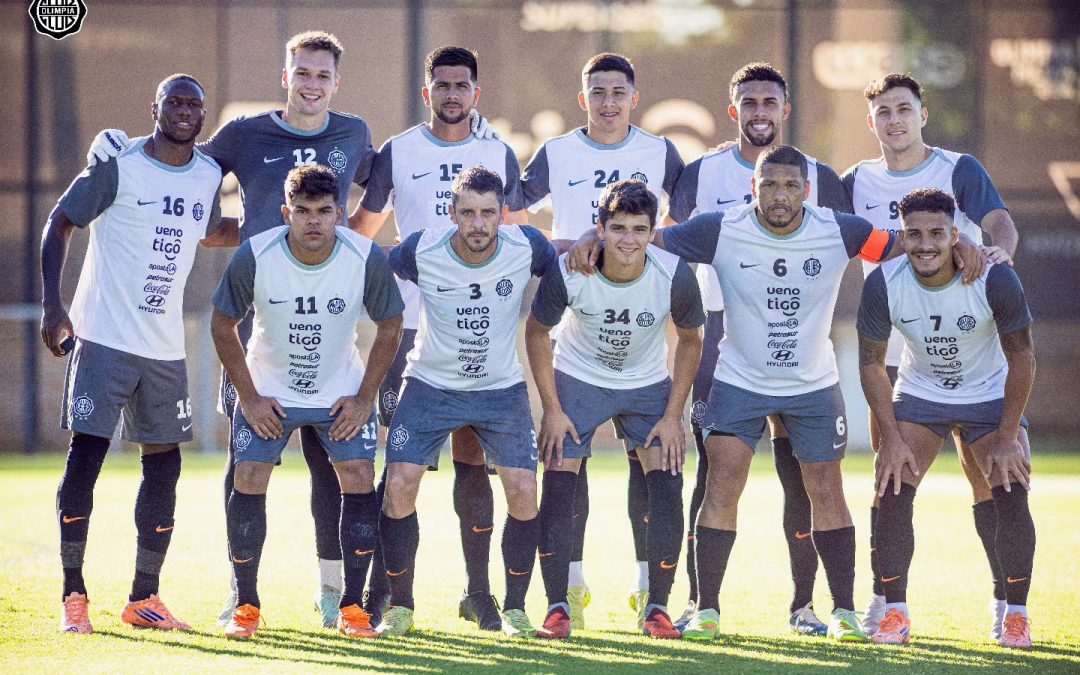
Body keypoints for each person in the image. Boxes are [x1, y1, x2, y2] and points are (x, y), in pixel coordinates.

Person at [567, 145, 997, 641]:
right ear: (754, 187)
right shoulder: (720, 227)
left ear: (806, 191)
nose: (779, 195)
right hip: (739, 382)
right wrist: (588, 236)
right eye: (769, 184)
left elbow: (909, 243)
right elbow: (643, 237)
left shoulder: (838, 228)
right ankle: (707, 609)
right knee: (722, 487)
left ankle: (843, 611)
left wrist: (965, 243)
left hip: (812, 386)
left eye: (791, 185)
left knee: (827, 493)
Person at [86, 30, 379, 627]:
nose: (312, 84)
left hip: (326, 324)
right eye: (303, 73)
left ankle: (334, 594)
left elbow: (386, 183)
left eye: (323, 75)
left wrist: (361, 239)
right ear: (285, 75)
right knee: (246, 464)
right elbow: (180, 159)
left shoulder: (354, 134)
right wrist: (117, 148)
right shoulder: (246, 133)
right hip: (260, 324)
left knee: (334, 468)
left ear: (336, 83)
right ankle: (239, 594)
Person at [666, 62, 850, 636]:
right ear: (734, 110)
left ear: (785, 110)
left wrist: (973, 252)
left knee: (806, 482)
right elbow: (656, 244)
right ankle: (702, 603)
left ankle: (808, 606)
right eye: (749, 103)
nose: (759, 112)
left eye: (769, 102)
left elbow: (885, 248)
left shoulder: (822, 178)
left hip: (802, 346)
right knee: (715, 477)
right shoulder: (701, 175)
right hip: (725, 338)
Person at [350, 46, 527, 631]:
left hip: (481, 336)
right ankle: (388, 597)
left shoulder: (498, 152)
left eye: (462, 85)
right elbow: (364, 232)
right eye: (442, 85)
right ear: (427, 92)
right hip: (411, 335)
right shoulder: (399, 151)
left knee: (472, 463)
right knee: (398, 469)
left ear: (477, 92)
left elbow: (519, 234)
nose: (452, 94)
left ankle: (479, 593)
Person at [841, 73, 1022, 639]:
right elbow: (805, 208)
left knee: (986, 475)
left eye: (904, 109)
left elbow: (998, 224)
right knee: (889, 472)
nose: (894, 120)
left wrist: (996, 254)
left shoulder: (957, 168)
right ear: (870, 122)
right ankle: (885, 601)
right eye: (884, 112)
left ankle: (1006, 605)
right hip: (893, 350)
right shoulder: (853, 181)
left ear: (923, 115)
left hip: (969, 349)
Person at [41, 74, 223, 634]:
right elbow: (60, 222)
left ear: (202, 114)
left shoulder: (210, 173)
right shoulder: (119, 164)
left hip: (164, 348)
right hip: (103, 338)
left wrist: (288, 226)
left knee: (165, 467)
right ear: (155, 108)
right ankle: (74, 594)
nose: (185, 111)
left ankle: (145, 597)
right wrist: (54, 305)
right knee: (85, 462)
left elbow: (212, 232)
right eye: (175, 102)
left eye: (194, 104)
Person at [520, 51, 685, 629]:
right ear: (582, 95)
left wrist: (639, 246)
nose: (608, 101)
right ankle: (567, 592)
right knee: (568, 466)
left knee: (657, 473)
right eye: (598, 91)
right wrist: (569, 248)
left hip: (642, 349)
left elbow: (683, 219)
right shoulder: (559, 151)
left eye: (619, 92)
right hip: (582, 326)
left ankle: (652, 596)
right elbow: (510, 212)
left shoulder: (662, 152)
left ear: (634, 97)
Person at [210, 166, 403, 639]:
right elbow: (222, 323)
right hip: (270, 389)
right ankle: (246, 605)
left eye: (323, 212)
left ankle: (353, 610)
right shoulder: (256, 254)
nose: (313, 221)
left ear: (340, 212)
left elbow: (392, 325)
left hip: (338, 390)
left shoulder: (363, 256)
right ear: (285, 212)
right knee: (248, 475)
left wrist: (364, 398)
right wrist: (250, 397)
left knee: (357, 476)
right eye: (302, 212)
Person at [378, 167, 556, 638]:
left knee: (522, 490)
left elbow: (562, 259)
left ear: (502, 214)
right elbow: (375, 265)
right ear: (452, 213)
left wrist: (584, 247)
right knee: (398, 483)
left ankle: (515, 608)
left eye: (488, 213)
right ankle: (401, 606)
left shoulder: (527, 246)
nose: (478, 224)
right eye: (468, 213)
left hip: (500, 388)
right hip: (431, 384)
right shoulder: (422, 249)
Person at [856, 188, 1035, 648]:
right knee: (892, 483)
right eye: (914, 234)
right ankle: (894, 610)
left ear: (956, 235)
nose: (925, 244)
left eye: (937, 233)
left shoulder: (994, 279)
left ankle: (1014, 613)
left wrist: (1008, 434)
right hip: (922, 391)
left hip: (989, 393)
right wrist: (891, 437)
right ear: (903, 235)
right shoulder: (883, 282)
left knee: (1011, 486)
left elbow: (1023, 359)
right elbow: (871, 365)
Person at [525, 179, 704, 639]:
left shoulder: (673, 274)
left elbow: (690, 341)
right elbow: (536, 334)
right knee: (560, 481)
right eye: (618, 227)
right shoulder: (571, 271)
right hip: (580, 377)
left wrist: (672, 415)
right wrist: (552, 409)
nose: (628, 239)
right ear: (599, 229)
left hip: (646, 384)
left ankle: (657, 607)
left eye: (639, 229)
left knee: (666, 480)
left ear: (651, 232)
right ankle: (558, 606)